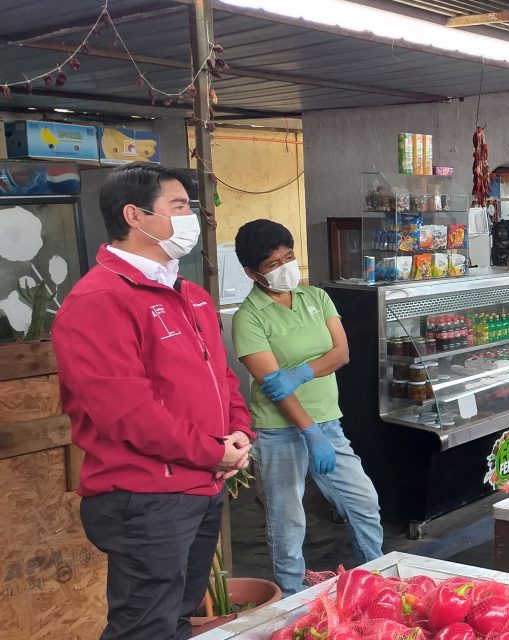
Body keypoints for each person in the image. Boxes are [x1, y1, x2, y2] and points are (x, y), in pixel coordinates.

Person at [52, 162, 253, 640]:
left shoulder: (191, 295)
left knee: (178, 618)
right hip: (145, 499)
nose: (193, 218)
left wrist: (239, 433)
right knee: (145, 627)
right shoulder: (100, 300)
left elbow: (221, 375)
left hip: (201, 485)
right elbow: (129, 413)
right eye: (179, 206)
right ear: (134, 216)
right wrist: (212, 451)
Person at [231, 219, 384, 596]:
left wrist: (302, 372)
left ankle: (374, 576)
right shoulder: (247, 318)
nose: (286, 267)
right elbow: (274, 388)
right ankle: (291, 593)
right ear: (252, 272)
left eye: (289, 256)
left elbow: (342, 353)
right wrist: (308, 430)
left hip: (328, 424)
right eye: (273, 264)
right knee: (287, 521)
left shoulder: (315, 297)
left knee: (363, 501)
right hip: (279, 432)